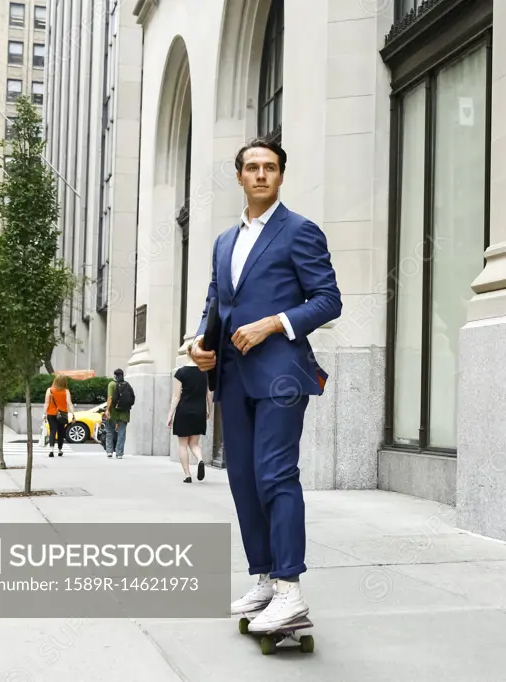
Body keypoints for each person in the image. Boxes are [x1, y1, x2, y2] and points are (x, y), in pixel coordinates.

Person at [188, 137, 341, 634]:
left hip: (280, 374)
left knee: (276, 475)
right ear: (239, 176)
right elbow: (216, 302)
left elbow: (328, 300)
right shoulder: (224, 242)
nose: (260, 175)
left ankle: (291, 590)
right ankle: (265, 579)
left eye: (269, 168)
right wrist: (197, 343)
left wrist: (274, 322)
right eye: (251, 167)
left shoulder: (299, 232)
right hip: (231, 376)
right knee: (243, 480)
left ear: (280, 176)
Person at [167, 363, 211, 483]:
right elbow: (208, 394)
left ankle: (187, 475)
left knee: (183, 445)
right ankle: (200, 459)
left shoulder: (181, 372)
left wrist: (170, 414)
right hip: (199, 411)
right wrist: (209, 410)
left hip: (184, 411)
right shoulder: (205, 372)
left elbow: (176, 397)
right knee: (194, 444)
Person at [105, 368, 133, 458]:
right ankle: (119, 453)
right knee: (121, 433)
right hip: (124, 413)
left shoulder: (112, 384)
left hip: (113, 412)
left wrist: (107, 410)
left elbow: (110, 398)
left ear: (114, 375)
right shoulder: (127, 385)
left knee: (109, 431)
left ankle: (109, 451)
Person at [43, 375, 74, 457]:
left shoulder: (49, 390)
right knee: (61, 432)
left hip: (51, 413)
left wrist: (44, 413)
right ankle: (60, 450)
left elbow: (46, 403)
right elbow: (69, 403)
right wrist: (73, 413)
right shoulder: (66, 391)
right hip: (62, 414)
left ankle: (51, 450)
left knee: (52, 431)